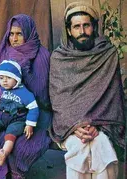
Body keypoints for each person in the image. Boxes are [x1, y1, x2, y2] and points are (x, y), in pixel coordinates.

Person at [49, 2, 126, 179]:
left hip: (103, 125)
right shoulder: (59, 58)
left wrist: (98, 125)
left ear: (94, 27)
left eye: (86, 25)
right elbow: (59, 101)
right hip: (70, 127)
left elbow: (113, 98)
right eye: (76, 27)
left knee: (103, 145)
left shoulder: (107, 54)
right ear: (69, 30)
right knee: (78, 146)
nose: (82, 31)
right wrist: (75, 127)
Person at [0, 14, 52, 179]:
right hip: (2, 107)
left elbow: (41, 92)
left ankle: (15, 174)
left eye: (19, 34)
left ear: (28, 33)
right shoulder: (2, 52)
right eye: (11, 34)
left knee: (21, 143)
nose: (14, 38)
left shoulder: (42, 55)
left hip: (33, 113)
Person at [0, 60, 39, 166]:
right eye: (1, 78)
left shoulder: (25, 93)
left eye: (9, 78)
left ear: (17, 78)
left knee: (11, 133)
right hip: (2, 116)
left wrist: (30, 125)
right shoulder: (2, 89)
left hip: (17, 119)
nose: (5, 81)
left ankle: (4, 153)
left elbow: (34, 108)